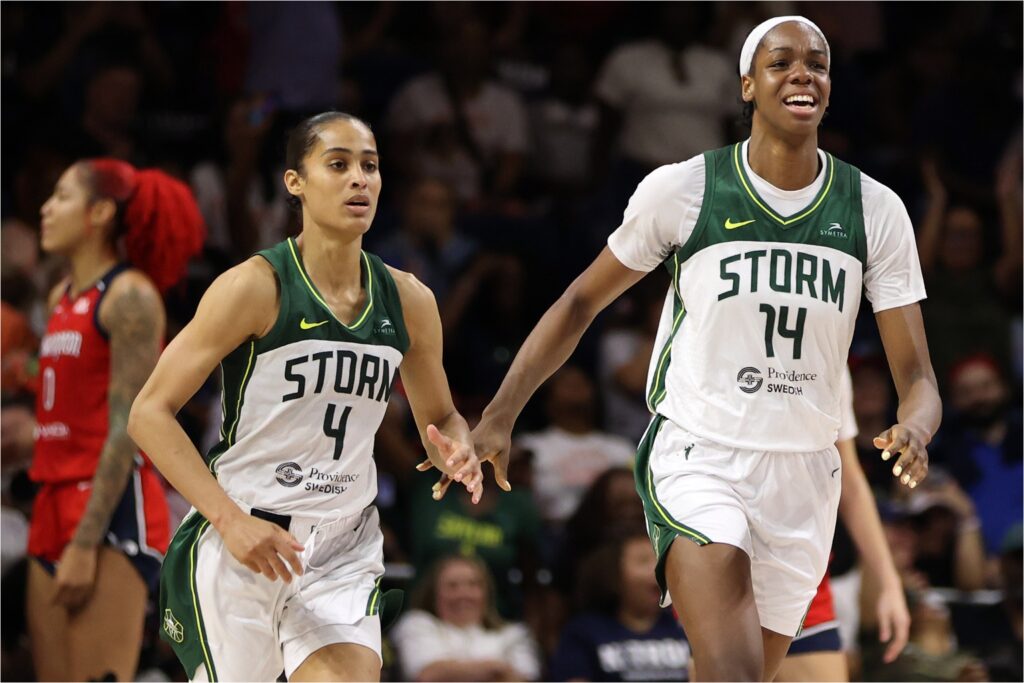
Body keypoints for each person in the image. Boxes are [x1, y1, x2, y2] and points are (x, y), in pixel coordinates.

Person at [459, 16, 941, 681]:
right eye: (781, 62)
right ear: (746, 84)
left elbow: (915, 371)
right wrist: (502, 411)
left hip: (804, 476)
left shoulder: (874, 209)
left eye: (818, 63)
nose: (803, 73)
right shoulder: (686, 189)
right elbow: (578, 303)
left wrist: (916, 423)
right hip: (700, 456)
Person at [128, 111, 484, 682]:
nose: (359, 180)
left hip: (342, 545)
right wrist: (229, 521)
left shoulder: (410, 299)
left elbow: (440, 417)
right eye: (338, 165)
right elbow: (148, 413)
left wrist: (458, 450)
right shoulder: (255, 286)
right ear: (295, 181)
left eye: (369, 166)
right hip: (245, 537)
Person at [27, 158, 205, 681]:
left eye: (61, 196)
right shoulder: (61, 296)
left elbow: (128, 425)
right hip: (50, 498)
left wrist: (85, 542)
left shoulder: (129, 297)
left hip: (107, 506)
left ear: (99, 212)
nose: (46, 208)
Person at [776, 368, 910, 682]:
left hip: (803, 572)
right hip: (731, 558)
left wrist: (889, 583)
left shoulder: (831, 362)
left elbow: (849, 480)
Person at [550, 528, 691, 682]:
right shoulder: (584, 632)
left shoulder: (685, 627)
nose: (658, 569)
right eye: (643, 561)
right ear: (613, 572)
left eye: (660, 558)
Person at [390, 554, 541, 681]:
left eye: (473, 585)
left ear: (487, 593)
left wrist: (454, 672)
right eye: (452, 586)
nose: (463, 594)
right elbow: (428, 675)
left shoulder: (515, 634)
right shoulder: (416, 624)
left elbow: (523, 680)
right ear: (434, 594)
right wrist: (497, 668)